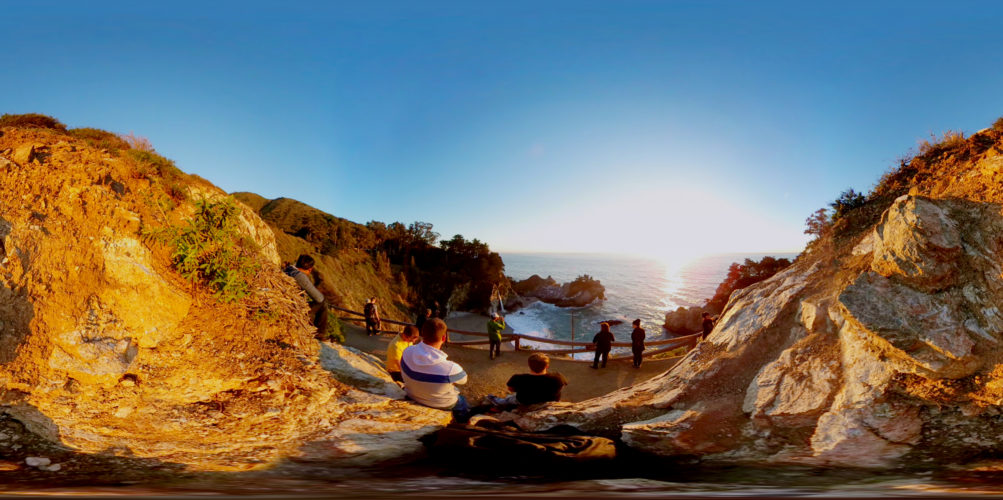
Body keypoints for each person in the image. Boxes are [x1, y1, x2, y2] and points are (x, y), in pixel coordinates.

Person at [401, 318, 470, 417]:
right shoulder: (451, 369)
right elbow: (463, 380)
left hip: (412, 395)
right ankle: (463, 420)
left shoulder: (407, 352)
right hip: (442, 404)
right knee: (462, 401)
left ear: (422, 334)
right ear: (443, 338)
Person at [283, 254, 328, 339]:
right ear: (310, 269)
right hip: (294, 307)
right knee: (323, 303)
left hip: (288, 302)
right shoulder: (300, 276)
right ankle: (320, 334)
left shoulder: (289, 269)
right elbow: (319, 298)